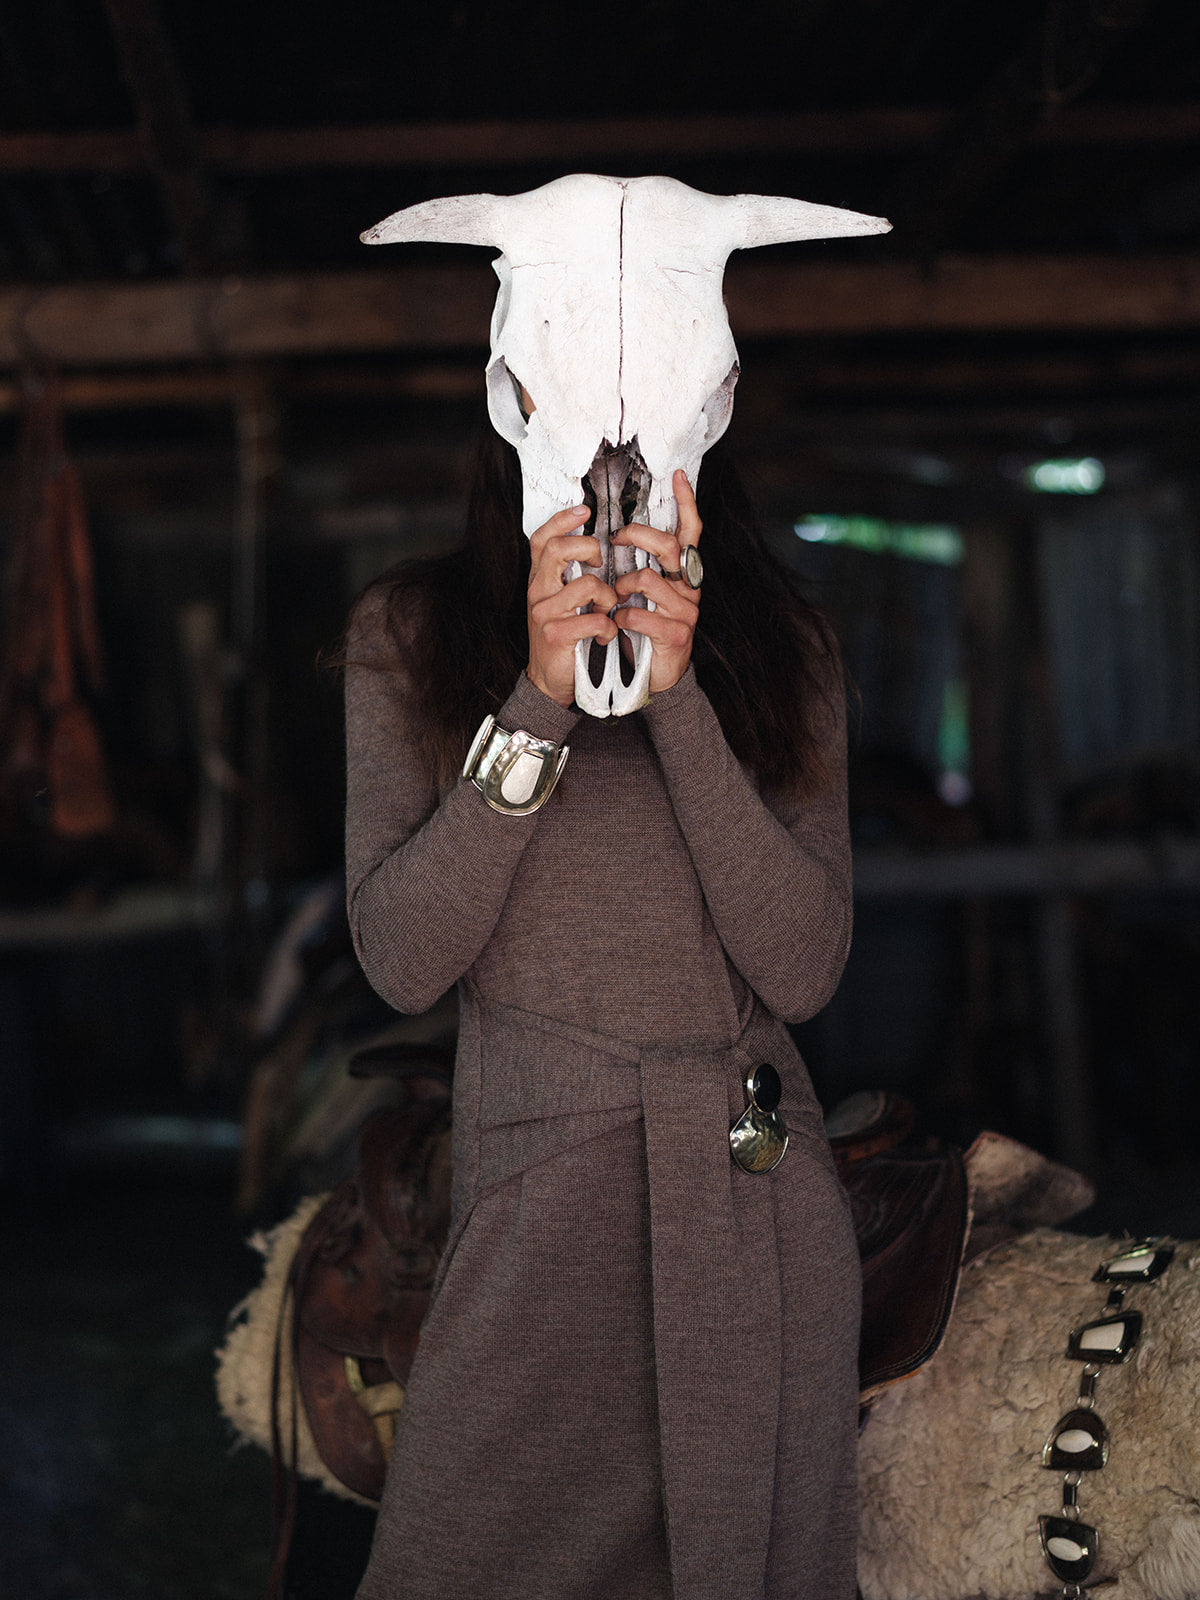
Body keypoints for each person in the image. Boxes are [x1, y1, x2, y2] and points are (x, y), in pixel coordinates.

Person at [344, 427, 861, 1600]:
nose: (612, 426)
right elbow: (403, 960)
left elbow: (805, 969)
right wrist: (539, 697)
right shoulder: (410, 633)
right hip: (538, 1226)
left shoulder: (787, 645)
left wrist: (680, 702)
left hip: (752, 1205)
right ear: (508, 397)